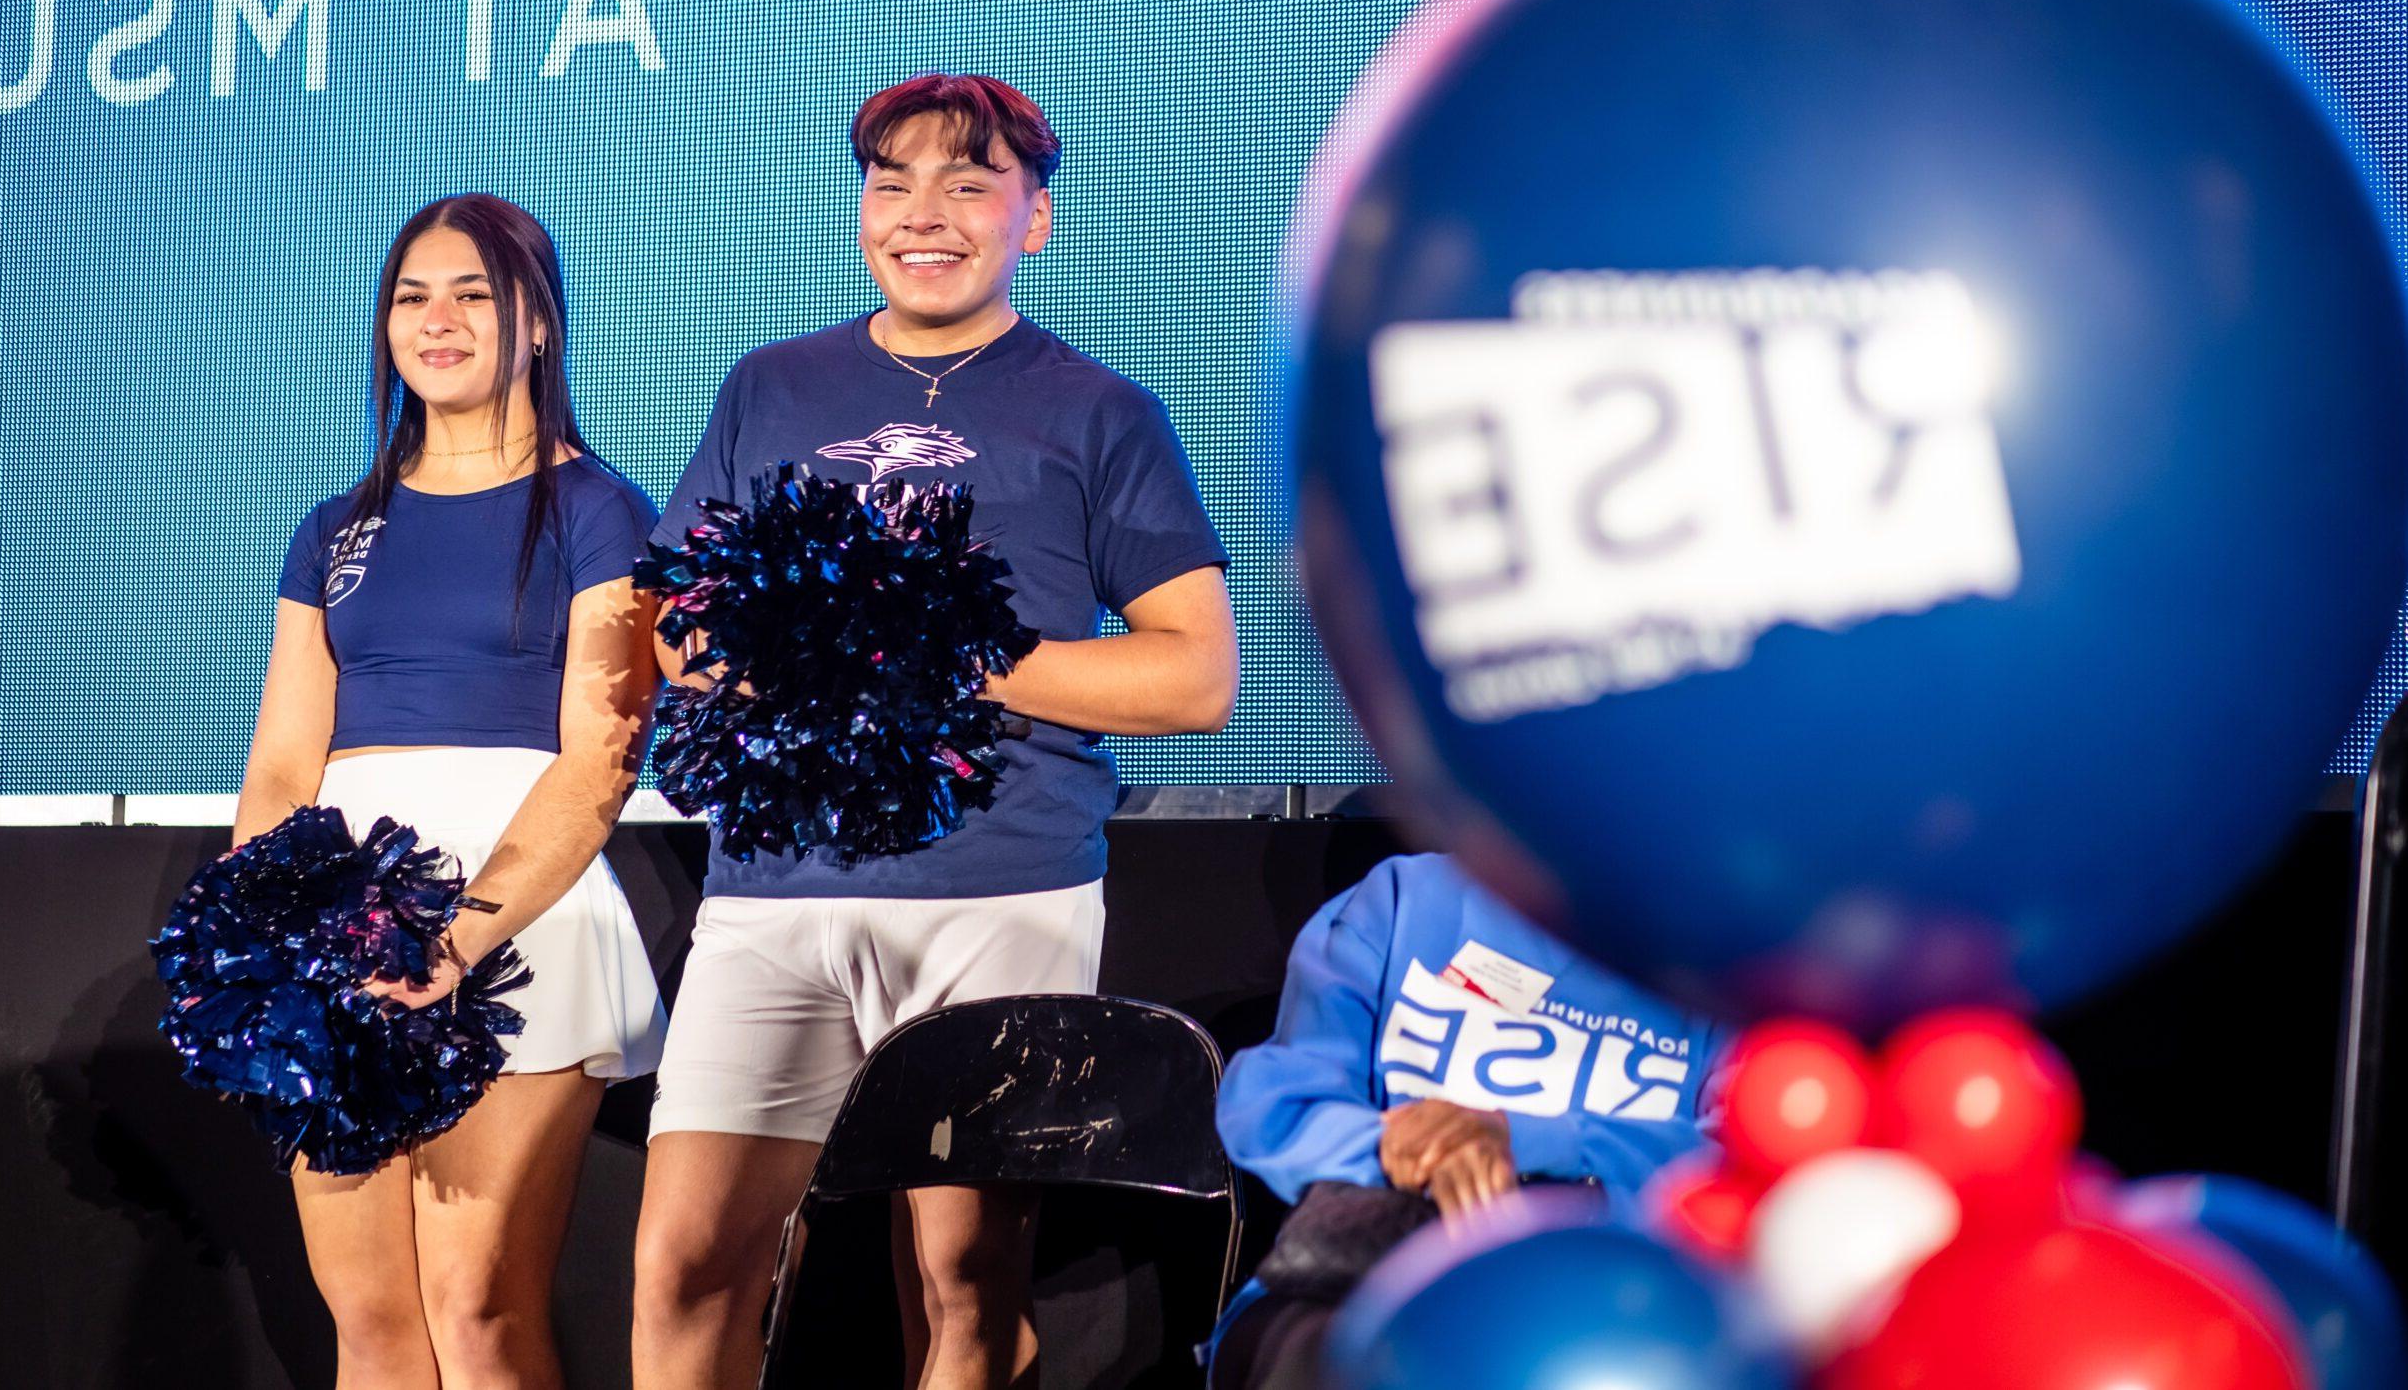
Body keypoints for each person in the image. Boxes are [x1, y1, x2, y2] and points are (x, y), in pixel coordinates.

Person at [632, 74, 1239, 1390]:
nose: (925, 213)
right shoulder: (772, 386)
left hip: (1003, 883)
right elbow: (670, 629)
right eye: (893, 181)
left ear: (1038, 218)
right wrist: (803, 642)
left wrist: (957, 653)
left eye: (970, 183)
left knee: (964, 1288)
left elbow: (1195, 677)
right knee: (686, 1267)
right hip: (774, 884)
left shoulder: (1099, 410)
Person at [233, 193, 670, 1390]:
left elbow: (600, 759)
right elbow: (281, 764)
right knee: (371, 1319)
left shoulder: (601, 510)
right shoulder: (334, 528)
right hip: (337, 918)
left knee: (475, 1309)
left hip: (514, 918)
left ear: (537, 324)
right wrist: (270, 932)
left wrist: (462, 936)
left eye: (474, 293)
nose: (439, 321)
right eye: (412, 295)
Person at [1208, 852, 1728, 1390]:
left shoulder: (1737, 955)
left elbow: (1743, 1156)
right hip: (1374, 1272)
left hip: (1624, 1298)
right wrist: (1399, 1146)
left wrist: (1528, 1141)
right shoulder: (1411, 896)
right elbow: (1275, 1102)